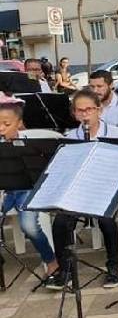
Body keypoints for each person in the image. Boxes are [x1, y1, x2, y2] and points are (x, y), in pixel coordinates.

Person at [46, 90, 118, 290]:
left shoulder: (114, 134)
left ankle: (113, 266)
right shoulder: (70, 137)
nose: (85, 115)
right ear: (74, 113)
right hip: (79, 190)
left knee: (106, 219)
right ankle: (65, 269)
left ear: (98, 110)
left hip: (106, 187)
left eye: (89, 110)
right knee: (60, 221)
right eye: (80, 111)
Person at [0, 93, 61, 286]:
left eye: (6, 124)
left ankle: (51, 262)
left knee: (29, 225)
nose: (1, 128)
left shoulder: (29, 144)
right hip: (6, 192)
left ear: (19, 123)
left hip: (27, 190)